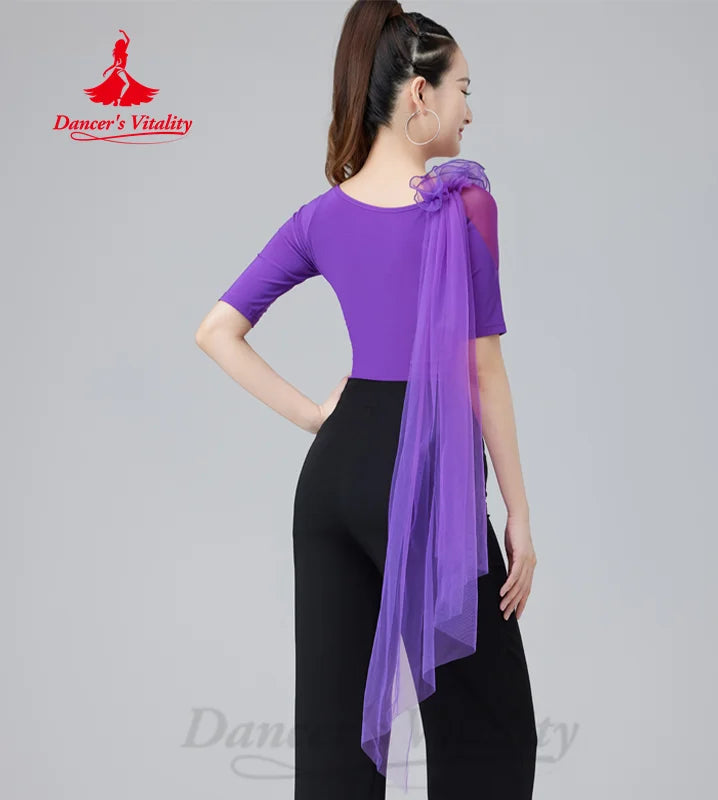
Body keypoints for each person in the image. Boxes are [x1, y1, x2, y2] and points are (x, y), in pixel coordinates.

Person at [195, 2, 538, 798]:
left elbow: (215, 331)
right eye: (462, 89)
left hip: (333, 478)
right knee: (489, 734)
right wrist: (519, 514)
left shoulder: (320, 215)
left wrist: (317, 418)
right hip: (422, 475)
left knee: (335, 745)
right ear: (420, 94)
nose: (469, 110)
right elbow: (483, 369)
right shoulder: (464, 206)